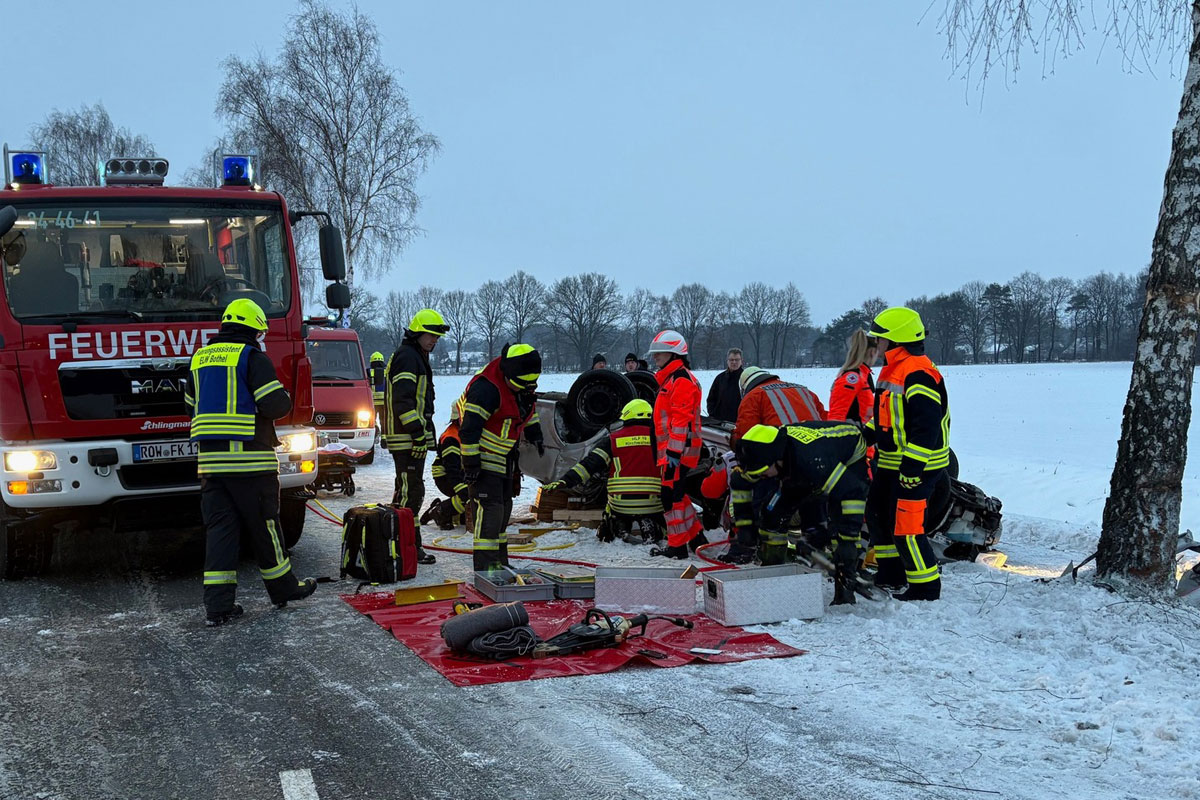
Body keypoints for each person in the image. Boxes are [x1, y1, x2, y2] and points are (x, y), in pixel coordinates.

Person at [186, 298, 316, 627]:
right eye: (260, 333)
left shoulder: (200, 358)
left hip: (212, 466)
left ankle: (218, 607)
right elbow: (275, 405)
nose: (261, 338)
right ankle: (284, 588)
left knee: (221, 533)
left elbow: (189, 405)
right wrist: (284, 397)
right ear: (252, 329)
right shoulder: (251, 357)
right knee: (266, 527)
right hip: (251, 463)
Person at [864, 307, 950, 601]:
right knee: (878, 516)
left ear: (895, 340)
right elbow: (889, 416)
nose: (875, 344)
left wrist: (913, 467)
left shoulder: (918, 372)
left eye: (878, 339)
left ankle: (925, 587)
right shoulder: (893, 369)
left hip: (918, 466)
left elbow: (926, 427)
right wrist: (865, 434)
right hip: (891, 462)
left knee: (907, 528)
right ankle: (891, 573)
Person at [734, 422, 869, 604]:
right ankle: (772, 573)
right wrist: (745, 525)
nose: (760, 477)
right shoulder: (756, 457)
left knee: (840, 525)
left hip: (849, 452)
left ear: (776, 460)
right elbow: (739, 484)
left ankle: (845, 589)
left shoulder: (814, 461)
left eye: (762, 472)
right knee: (772, 515)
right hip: (797, 466)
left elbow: (853, 493)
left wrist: (849, 537)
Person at [723, 366, 827, 563]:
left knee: (761, 502)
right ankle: (816, 554)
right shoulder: (804, 390)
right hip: (815, 460)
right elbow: (824, 419)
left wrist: (737, 449)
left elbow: (746, 437)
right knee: (813, 508)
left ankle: (748, 550)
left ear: (744, 386)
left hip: (779, 463)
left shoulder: (753, 396)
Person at [458, 343, 546, 571]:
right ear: (508, 374)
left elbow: (526, 409)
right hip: (483, 459)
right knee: (490, 514)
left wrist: (535, 433)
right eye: (521, 385)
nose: (525, 389)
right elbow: (469, 429)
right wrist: (471, 464)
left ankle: (499, 565)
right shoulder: (486, 389)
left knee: (503, 512)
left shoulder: (521, 382)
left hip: (505, 458)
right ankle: (485, 569)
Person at [543, 399, 666, 544]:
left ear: (626, 416)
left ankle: (617, 527)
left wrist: (565, 481)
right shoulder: (662, 440)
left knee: (611, 511)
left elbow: (589, 465)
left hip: (620, 503)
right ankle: (654, 528)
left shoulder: (613, 439)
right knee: (659, 513)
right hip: (654, 502)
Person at [382, 309, 449, 566]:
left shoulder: (414, 355)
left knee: (406, 491)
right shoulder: (408, 357)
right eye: (430, 335)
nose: (434, 340)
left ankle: (398, 542)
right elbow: (403, 402)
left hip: (409, 437)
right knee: (411, 493)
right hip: (407, 438)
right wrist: (418, 435)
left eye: (437, 337)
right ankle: (408, 547)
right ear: (417, 333)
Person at [647, 329, 705, 558]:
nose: (655, 357)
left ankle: (677, 546)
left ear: (674, 354)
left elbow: (681, 420)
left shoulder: (681, 380)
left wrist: (674, 452)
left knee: (670, 497)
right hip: (672, 450)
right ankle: (696, 537)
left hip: (677, 452)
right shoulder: (672, 379)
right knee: (677, 494)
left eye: (660, 352)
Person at [423, 406, 471, 530]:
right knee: (469, 494)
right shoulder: (451, 438)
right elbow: (451, 469)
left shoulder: (461, 432)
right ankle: (441, 511)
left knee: (465, 513)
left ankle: (442, 509)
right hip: (445, 476)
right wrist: (462, 489)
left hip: (456, 473)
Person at [828, 330, 878, 424]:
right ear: (872, 352)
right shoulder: (852, 378)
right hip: (853, 431)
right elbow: (836, 415)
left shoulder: (864, 376)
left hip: (865, 430)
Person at [706, 348, 744, 423]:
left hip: (739, 422)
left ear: (741, 361)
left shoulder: (746, 378)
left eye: (737, 360)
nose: (734, 362)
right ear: (727, 361)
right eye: (731, 360)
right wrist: (712, 414)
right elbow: (711, 399)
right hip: (720, 421)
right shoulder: (720, 378)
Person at [368, 351, 387, 429]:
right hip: (385, 401)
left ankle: (375, 432)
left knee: (371, 420)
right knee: (384, 420)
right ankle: (384, 435)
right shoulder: (388, 372)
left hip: (373, 401)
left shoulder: (368, 372)